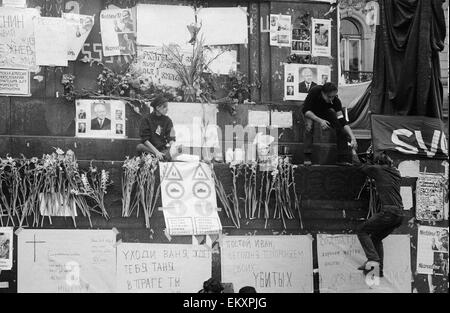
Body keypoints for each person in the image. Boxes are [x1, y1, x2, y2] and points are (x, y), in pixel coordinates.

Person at [354, 151, 404, 277]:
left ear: (378, 163)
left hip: (388, 212)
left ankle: (373, 260)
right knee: (376, 238)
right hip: (399, 215)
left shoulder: (378, 170)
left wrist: (352, 150)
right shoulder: (396, 172)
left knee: (362, 230)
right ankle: (379, 269)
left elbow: (359, 165)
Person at [302, 82, 358, 165]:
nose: (331, 100)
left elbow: (342, 120)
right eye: (329, 97)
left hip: (324, 111)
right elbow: (306, 111)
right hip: (310, 111)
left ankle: (342, 159)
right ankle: (307, 156)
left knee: (340, 127)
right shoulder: (315, 91)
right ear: (322, 93)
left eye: (333, 97)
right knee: (309, 127)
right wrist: (321, 121)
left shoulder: (336, 101)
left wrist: (353, 137)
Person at [137, 95, 176, 161]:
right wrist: (156, 152)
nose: (167, 109)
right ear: (157, 108)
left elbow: (171, 136)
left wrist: (173, 147)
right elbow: (145, 139)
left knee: (180, 149)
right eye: (164, 107)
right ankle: (161, 157)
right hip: (150, 149)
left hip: (163, 149)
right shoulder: (146, 119)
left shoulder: (168, 120)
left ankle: (162, 157)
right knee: (139, 147)